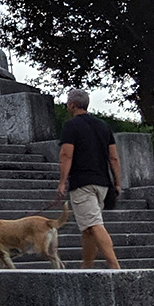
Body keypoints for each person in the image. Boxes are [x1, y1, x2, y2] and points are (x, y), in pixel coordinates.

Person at [57, 88, 122, 268]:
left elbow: (66, 155)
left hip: (82, 183)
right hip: (102, 182)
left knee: (94, 224)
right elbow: (114, 157)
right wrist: (117, 182)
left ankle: (115, 267)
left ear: (71, 105)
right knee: (88, 229)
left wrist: (62, 181)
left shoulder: (71, 126)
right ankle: (86, 266)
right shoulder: (103, 125)